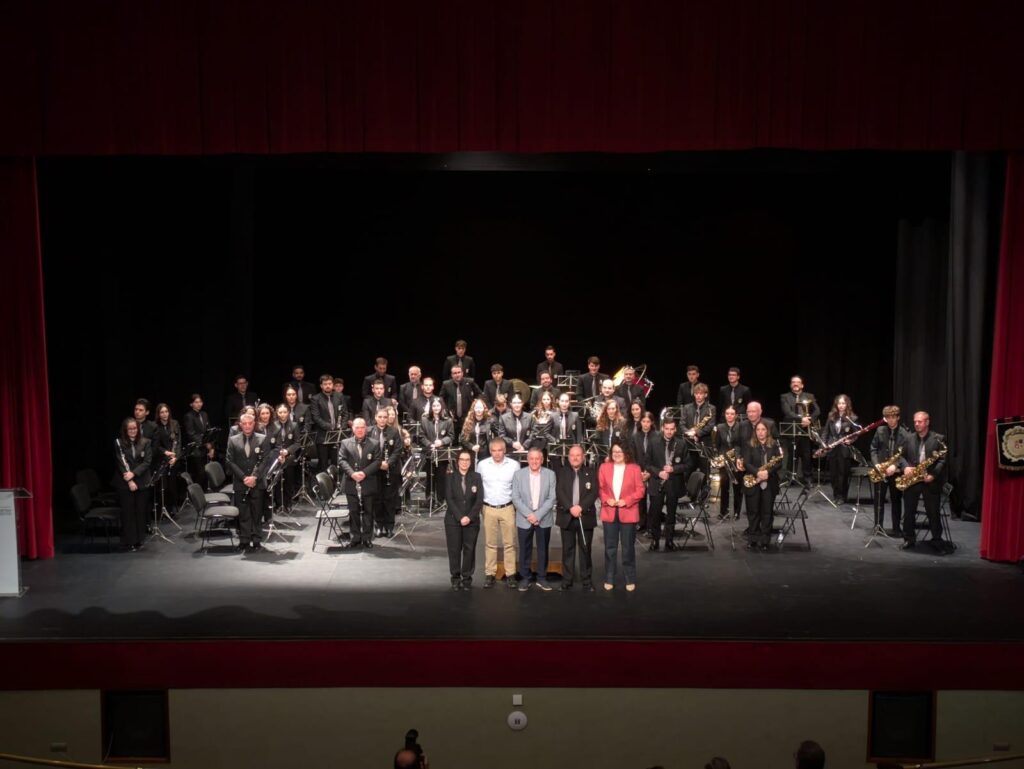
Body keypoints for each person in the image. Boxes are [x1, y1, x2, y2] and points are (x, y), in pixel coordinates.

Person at [899, 411, 949, 553]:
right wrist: (905, 467)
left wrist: (933, 474)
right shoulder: (909, 438)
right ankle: (909, 539)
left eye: (919, 422)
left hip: (929, 480)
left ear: (927, 422)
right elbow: (901, 457)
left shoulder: (938, 438)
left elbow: (943, 460)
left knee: (933, 512)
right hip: (913, 480)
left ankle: (937, 541)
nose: (916, 424)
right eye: (915, 421)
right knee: (909, 511)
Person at [598, 440, 645, 591]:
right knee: (610, 548)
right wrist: (607, 500)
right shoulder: (604, 467)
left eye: (619, 451)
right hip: (609, 511)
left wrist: (627, 501)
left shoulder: (635, 468)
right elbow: (601, 489)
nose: (617, 454)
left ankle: (629, 578)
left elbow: (640, 491)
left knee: (628, 548)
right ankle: (609, 578)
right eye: (614, 452)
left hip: (628, 511)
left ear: (626, 453)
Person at [477, 437, 520, 588]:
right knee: (490, 543)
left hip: (507, 508)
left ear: (505, 450)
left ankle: (510, 574)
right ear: (490, 451)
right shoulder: (482, 465)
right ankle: (490, 574)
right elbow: (477, 487)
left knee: (510, 544)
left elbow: (517, 487)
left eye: (499, 450)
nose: (496, 454)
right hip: (488, 508)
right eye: (493, 451)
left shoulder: (514, 465)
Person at [512, 447, 557, 591]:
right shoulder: (518, 475)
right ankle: (525, 578)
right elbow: (515, 498)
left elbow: (552, 498)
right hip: (524, 519)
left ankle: (542, 578)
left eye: (538, 458)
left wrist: (537, 515)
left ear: (542, 460)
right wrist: (530, 515)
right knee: (525, 549)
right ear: (527, 459)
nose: (534, 461)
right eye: (531, 458)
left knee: (543, 549)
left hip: (543, 518)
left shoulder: (550, 474)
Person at [556, 445, 598, 591]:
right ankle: (567, 580)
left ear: (583, 457)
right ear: (568, 457)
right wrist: (570, 507)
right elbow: (559, 491)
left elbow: (594, 493)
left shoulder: (591, 473)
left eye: (578, 455)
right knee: (567, 550)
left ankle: (586, 581)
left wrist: (580, 507)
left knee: (585, 549)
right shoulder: (562, 472)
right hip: (567, 516)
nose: (575, 458)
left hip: (584, 516)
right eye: (572, 455)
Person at [739, 420, 784, 552]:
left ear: (767, 431)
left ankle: (765, 540)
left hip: (769, 483)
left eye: (763, 429)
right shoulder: (749, 445)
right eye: (758, 430)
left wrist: (767, 473)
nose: (760, 432)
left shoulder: (774, 445)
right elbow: (746, 463)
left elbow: (779, 463)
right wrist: (758, 473)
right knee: (753, 512)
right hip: (753, 481)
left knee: (767, 513)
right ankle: (753, 539)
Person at [225, 413, 267, 551]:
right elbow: (230, 461)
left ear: (254, 424)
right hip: (240, 483)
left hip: (257, 482)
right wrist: (244, 478)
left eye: (250, 423)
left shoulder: (262, 439)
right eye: (245, 423)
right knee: (243, 513)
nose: (248, 426)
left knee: (256, 512)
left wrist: (254, 477)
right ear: (240, 425)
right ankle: (244, 540)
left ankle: (256, 540)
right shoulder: (233, 440)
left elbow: (265, 461)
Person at [337, 417, 381, 548]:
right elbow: (341, 460)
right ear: (353, 429)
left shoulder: (374, 443)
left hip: (368, 481)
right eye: (357, 427)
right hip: (351, 482)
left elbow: (377, 461)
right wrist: (352, 473)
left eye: (362, 427)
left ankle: (367, 538)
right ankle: (355, 537)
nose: (360, 430)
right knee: (353, 511)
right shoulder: (345, 442)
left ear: (366, 428)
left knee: (369, 511)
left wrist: (364, 473)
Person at [444, 449, 483, 590]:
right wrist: (460, 517)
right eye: (462, 460)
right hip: (453, 520)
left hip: (471, 521)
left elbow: (479, 500)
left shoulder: (477, 477)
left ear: (470, 462)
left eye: (467, 460)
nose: (465, 462)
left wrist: (469, 517)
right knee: (454, 550)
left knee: (469, 549)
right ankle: (455, 578)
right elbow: (449, 499)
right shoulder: (450, 477)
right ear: (457, 461)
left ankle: (467, 578)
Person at [646, 417, 687, 550]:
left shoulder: (681, 443)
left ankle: (669, 541)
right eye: (667, 429)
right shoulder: (653, 442)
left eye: (672, 429)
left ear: (675, 429)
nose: (669, 432)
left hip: (673, 483)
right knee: (655, 514)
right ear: (662, 428)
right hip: (657, 482)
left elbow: (688, 464)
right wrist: (659, 473)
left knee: (671, 514)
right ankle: (655, 540)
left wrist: (674, 469)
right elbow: (647, 464)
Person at [113, 417, 153, 551]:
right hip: (125, 483)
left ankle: (139, 540)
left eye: (135, 428)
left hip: (142, 481)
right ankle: (129, 541)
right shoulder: (118, 442)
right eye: (130, 429)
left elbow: (147, 462)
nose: (132, 431)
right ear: (125, 430)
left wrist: (134, 474)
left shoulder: (146, 442)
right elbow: (121, 462)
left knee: (140, 512)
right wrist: (129, 480)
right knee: (128, 512)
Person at [870, 404, 909, 536]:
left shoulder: (905, 434)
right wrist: (877, 465)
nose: (891, 420)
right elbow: (873, 449)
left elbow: (906, 453)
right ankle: (878, 526)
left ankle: (896, 528)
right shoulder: (880, 430)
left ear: (898, 417)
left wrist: (896, 466)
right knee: (878, 500)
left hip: (896, 472)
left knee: (896, 500)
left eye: (893, 417)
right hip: (881, 470)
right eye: (888, 418)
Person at [780, 375, 820, 485]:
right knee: (792, 454)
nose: (795, 384)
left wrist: (809, 420)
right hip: (791, 429)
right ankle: (790, 477)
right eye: (793, 382)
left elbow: (817, 411)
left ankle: (807, 478)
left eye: (798, 382)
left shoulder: (809, 396)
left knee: (806, 454)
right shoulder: (785, 397)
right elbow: (787, 412)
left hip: (805, 429)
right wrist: (801, 418)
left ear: (802, 385)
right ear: (790, 385)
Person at [369, 408, 403, 538]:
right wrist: (378, 464)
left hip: (390, 470)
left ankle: (389, 527)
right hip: (375, 471)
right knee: (377, 499)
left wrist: (388, 463)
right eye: (380, 417)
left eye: (385, 417)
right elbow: (368, 451)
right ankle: (379, 525)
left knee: (389, 499)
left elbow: (398, 450)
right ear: (376, 418)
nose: (382, 419)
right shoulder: (370, 431)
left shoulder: (394, 431)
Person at [820, 394, 858, 503]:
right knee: (833, 474)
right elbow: (826, 432)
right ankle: (836, 495)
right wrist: (824, 445)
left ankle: (842, 496)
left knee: (843, 474)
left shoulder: (852, 417)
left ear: (847, 404)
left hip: (844, 449)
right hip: (832, 448)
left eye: (843, 403)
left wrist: (851, 440)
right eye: (839, 403)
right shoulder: (831, 416)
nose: (841, 405)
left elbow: (856, 433)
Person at [266, 403, 301, 513]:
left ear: (288, 413)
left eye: (285, 412)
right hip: (276, 458)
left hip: (289, 457)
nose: (282, 414)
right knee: (276, 482)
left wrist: (287, 451)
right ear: (277, 413)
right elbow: (270, 444)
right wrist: (278, 453)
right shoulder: (273, 425)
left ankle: (287, 504)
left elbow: (297, 443)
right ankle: (278, 504)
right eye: (280, 412)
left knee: (288, 481)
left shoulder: (294, 425)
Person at [418, 397, 453, 503]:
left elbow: (451, 436)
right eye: (434, 406)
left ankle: (440, 500)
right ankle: (429, 499)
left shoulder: (448, 420)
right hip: (429, 452)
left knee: (441, 477)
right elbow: (421, 436)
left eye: (438, 405)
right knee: (429, 477)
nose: (436, 408)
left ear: (441, 406)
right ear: (431, 407)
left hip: (442, 454)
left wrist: (442, 442)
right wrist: (430, 444)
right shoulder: (424, 420)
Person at [714, 405, 744, 519]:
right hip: (724, 461)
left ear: (736, 415)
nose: (729, 416)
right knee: (724, 487)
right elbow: (717, 445)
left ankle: (737, 512)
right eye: (727, 413)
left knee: (737, 488)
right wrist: (718, 458)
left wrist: (740, 458)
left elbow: (742, 444)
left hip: (737, 461)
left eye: (732, 414)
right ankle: (723, 512)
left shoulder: (741, 427)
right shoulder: (720, 427)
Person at [151, 403, 182, 512]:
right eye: (162, 412)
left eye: (166, 411)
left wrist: (176, 457)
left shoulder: (175, 424)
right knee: (164, 487)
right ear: (158, 414)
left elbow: (178, 442)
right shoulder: (155, 426)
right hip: (161, 460)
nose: (164, 414)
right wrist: (165, 452)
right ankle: (163, 509)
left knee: (172, 486)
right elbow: (155, 445)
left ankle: (173, 508)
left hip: (173, 460)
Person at [310, 374, 343, 473]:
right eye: (325, 384)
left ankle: (336, 485)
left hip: (337, 434)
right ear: (321, 386)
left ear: (332, 385)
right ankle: (324, 486)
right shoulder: (315, 398)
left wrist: (342, 426)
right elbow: (316, 417)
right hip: (322, 436)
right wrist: (330, 427)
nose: (328, 386)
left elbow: (345, 413)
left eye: (329, 384)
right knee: (323, 464)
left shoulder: (339, 396)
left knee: (336, 463)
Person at [183, 393, 215, 486]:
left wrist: (211, 447)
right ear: (191, 404)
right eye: (196, 402)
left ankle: (205, 494)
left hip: (206, 448)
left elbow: (209, 431)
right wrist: (205, 444)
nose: (199, 404)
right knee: (200, 474)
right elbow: (191, 434)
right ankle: (197, 496)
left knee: (207, 473)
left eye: (200, 402)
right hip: (196, 450)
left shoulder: (204, 414)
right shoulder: (189, 416)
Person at [632, 410, 656, 532]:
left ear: (652, 422)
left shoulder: (657, 436)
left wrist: (649, 472)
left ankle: (651, 524)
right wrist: (639, 472)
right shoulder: (635, 436)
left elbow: (658, 456)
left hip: (653, 472)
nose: (646, 424)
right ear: (640, 422)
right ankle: (642, 522)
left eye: (648, 421)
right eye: (643, 421)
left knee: (653, 498)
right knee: (640, 498)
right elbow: (633, 456)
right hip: (639, 472)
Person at [550, 392, 582, 470]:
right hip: (557, 448)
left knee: (569, 472)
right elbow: (546, 432)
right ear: (558, 402)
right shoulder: (552, 416)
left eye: (566, 401)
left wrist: (577, 446)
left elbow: (579, 433)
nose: (564, 403)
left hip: (571, 448)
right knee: (557, 472)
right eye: (562, 401)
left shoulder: (575, 415)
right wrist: (554, 440)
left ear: (569, 402)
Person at [497, 394, 535, 459]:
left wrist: (524, 446)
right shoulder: (503, 418)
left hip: (526, 452)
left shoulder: (529, 417)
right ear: (511, 404)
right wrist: (513, 443)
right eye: (514, 403)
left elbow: (533, 434)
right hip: (510, 452)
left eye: (519, 402)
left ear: (522, 403)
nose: (517, 405)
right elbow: (501, 435)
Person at [460, 398, 495, 465]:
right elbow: (462, 439)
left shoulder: (490, 421)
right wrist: (472, 447)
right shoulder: (468, 421)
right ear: (473, 409)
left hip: (485, 454)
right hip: (471, 453)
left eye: (480, 408)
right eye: (477, 408)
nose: (479, 410)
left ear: (484, 409)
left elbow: (498, 435)